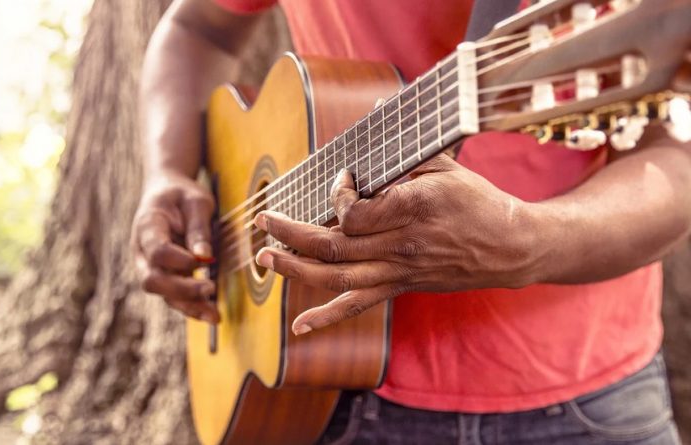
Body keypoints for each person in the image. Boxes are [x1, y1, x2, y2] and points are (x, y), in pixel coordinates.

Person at [130, 0, 690, 443]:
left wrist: (528, 241)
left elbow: (678, 159)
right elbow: (198, 30)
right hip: (327, 384)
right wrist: (167, 173)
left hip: (586, 397)